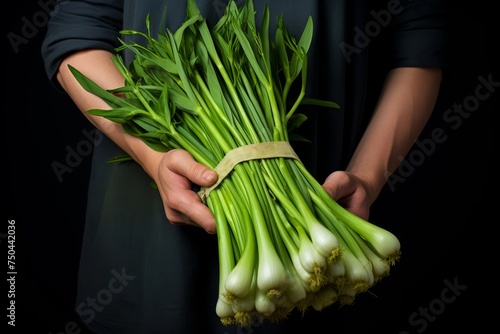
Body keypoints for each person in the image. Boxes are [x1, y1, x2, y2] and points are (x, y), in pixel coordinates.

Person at [41, 0, 449, 333]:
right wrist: (152, 155)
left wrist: (369, 174)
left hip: (331, 218)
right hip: (149, 243)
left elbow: (419, 39)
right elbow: (77, 32)